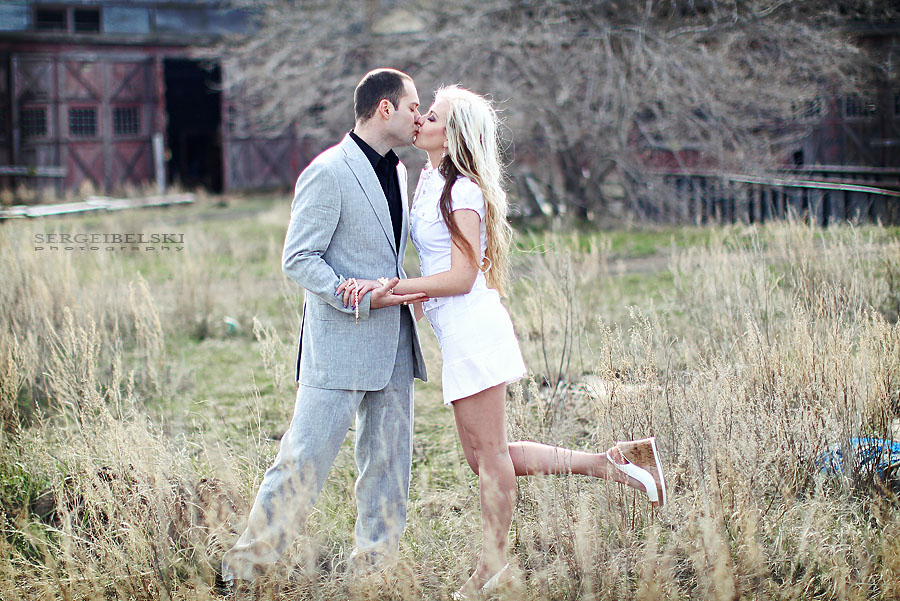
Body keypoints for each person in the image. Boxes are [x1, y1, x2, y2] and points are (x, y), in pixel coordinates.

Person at [338, 86, 668, 598]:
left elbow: (464, 277)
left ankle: (494, 567)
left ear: (455, 135)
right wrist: (405, 294)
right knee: (484, 457)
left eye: (434, 117)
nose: (421, 119)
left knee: (490, 456)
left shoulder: (462, 190)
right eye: (424, 113)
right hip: (457, 334)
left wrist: (394, 290)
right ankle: (613, 463)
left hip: (475, 330)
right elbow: (435, 269)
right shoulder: (430, 181)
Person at [220, 68, 429, 593]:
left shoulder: (401, 173)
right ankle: (245, 571)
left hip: (395, 345)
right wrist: (347, 290)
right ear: (385, 108)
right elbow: (298, 257)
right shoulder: (328, 171)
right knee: (302, 463)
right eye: (411, 106)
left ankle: (375, 569)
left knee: (389, 466)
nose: (418, 116)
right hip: (338, 342)